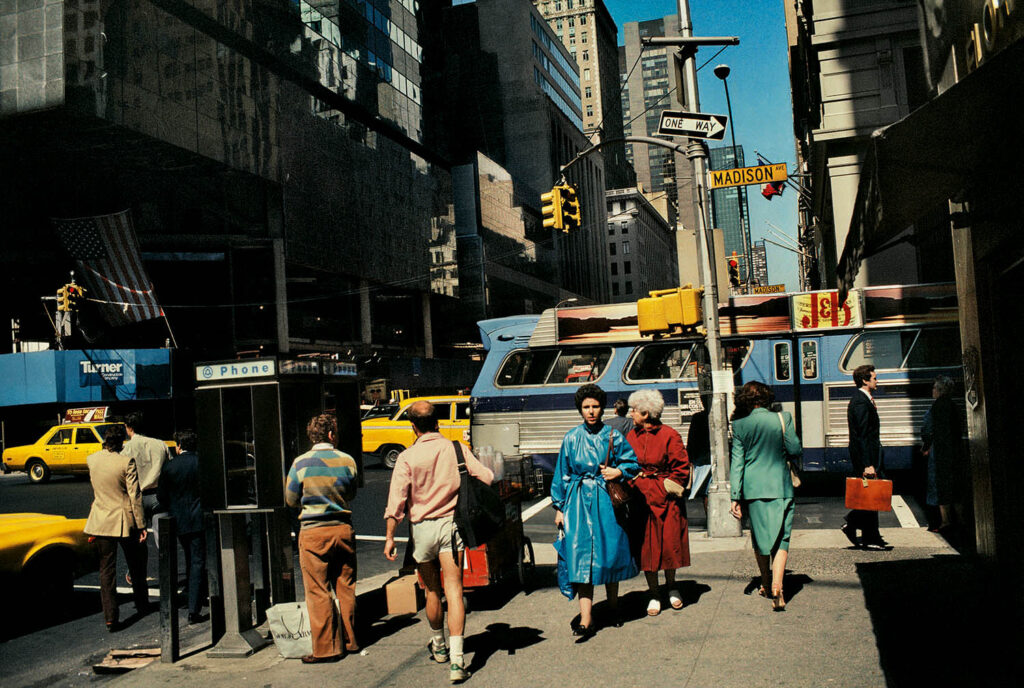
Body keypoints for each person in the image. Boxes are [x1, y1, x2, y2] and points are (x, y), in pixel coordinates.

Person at [384, 400, 493, 684]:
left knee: (432, 590)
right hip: (450, 526)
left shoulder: (407, 457)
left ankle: (439, 645)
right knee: (454, 591)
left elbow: (396, 500)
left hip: (421, 529)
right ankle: (458, 662)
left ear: (413, 427)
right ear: (437, 423)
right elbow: (488, 477)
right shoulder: (456, 449)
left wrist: (390, 537)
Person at [551, 383, 640, 638]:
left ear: (603, 408)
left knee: (609, 554)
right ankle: (586, 617)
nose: (591, 411)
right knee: (580, 558)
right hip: (577, 502)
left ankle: (613, 608)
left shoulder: (613, 435)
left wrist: (619, 471)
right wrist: (559, 507)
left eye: (595, 406)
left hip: (605, 501)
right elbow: (562, 473)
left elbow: (632, 463)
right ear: (580, 409)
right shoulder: (571, 437)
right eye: (586, 407)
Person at [285, 414, 360, 664]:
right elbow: (351, 492)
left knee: (318, 591)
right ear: (331, 435)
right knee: (345, 586)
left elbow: (291, 499)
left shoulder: (300, 463)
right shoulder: (347, 460)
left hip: (313, 532)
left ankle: (327, 648)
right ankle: (350, 640)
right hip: (342, 529)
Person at [729, 381, 802, 611]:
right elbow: (795, 449)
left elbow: (737, 462)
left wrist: (735, 496)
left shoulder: (740, 425)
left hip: (753, 489)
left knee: (760, 538)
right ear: (767, 397)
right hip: (781, 486)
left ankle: (765, 580)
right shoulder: (783, 418)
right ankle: (778, 588)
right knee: (782, 537)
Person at [625, 389, 690, 617]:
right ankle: (653, 593)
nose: (631, 413)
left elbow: (681, 469)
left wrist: (662, 487)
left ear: (646, 412)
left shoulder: (670, 435)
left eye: (634, 410)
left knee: (670, 545)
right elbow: (625, 464)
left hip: (666, 500)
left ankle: (672, 586)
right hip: (640, 501)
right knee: (647, 549)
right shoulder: (631, 436)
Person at [84, 425, 151, 631]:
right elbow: (134, 495)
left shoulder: (92, 460)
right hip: (123, 519)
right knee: (136, 562)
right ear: (122, 442)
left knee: (106, 570)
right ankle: (141, 602)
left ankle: (110, 617)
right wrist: (141, 525)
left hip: (101, 519)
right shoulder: (126, 462)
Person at [157, 429, 207, 624]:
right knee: (197, 561)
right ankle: (194, 608)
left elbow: (162, 496)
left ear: (179, 446)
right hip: (198, 519)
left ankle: (192, 597)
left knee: (189, 559)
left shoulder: (170, 467)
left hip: (178, 520)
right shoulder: (201, 463)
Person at [841, 364, 891, 551]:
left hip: (869, 455)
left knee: (871, 495)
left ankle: (864, 531)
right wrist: (867, 464)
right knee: (870, 496)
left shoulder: (863, 399)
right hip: (866, 457)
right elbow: (861, 434)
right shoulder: (861, 402)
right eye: (874, 378)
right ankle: (867, 535)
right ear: (865, 380)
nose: (877, 381)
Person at [921, 375, 961, 532]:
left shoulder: (935, 408)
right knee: (956, 485)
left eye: (934, 388)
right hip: (955, 450)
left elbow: (927, 430)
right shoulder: (954, 406)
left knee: (940, 484)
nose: (933, 391)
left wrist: (926, 446)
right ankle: (961, 520)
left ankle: (945, 521)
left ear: (939, 390)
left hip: (940, 451)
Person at [122, 412, 171, 525]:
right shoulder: (160, 444)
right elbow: (170, 470)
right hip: (158, 496)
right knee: (163, 537)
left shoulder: (125, 450)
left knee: (137, 538)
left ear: (129, 427)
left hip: (136, 497)